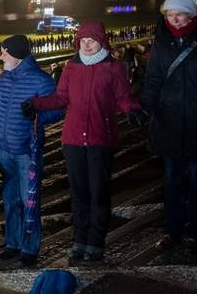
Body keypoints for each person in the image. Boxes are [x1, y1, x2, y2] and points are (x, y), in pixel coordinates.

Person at [27, 21, 142, 262]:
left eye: (92, 40)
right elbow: (60, 98)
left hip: (101, 139)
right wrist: (36, 104)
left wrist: (132, 109)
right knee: (78, 193)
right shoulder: (70, 67)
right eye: (83, 40)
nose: (87, 45)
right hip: (73, 141)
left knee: (98, 192)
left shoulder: (114, 67)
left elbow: (123, 97)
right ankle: (79, 240)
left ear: (102, 41)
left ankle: (96, 242)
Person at [141, 0, 197, 253]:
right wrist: (146, 107)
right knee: (171, 181)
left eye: (181, 14)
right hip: (169, 123)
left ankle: (196, 232)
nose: (176, 19)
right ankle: (173, 231)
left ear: (192, 15)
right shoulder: (160, 44)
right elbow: (153, 81)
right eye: (171, 14)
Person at [0, 35, 63, 267]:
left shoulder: (41, 80)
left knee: (30, 202)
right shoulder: (4, 78)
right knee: (11, 201)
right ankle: (12, 244)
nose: (1, 55)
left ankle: (30, 247)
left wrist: (37, 112)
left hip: (27, 152)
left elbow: (58, 109)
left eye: (4, 52)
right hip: (4, 151)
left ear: (16, 54)